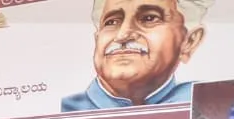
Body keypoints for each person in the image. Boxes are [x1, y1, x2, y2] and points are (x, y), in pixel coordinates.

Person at [60, 0, 211, 111]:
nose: (122, 35)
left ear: (189, 41)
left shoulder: (207, 105)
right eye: (111, 22)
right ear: (97, 39)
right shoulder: (65, 111)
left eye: (149, 18)